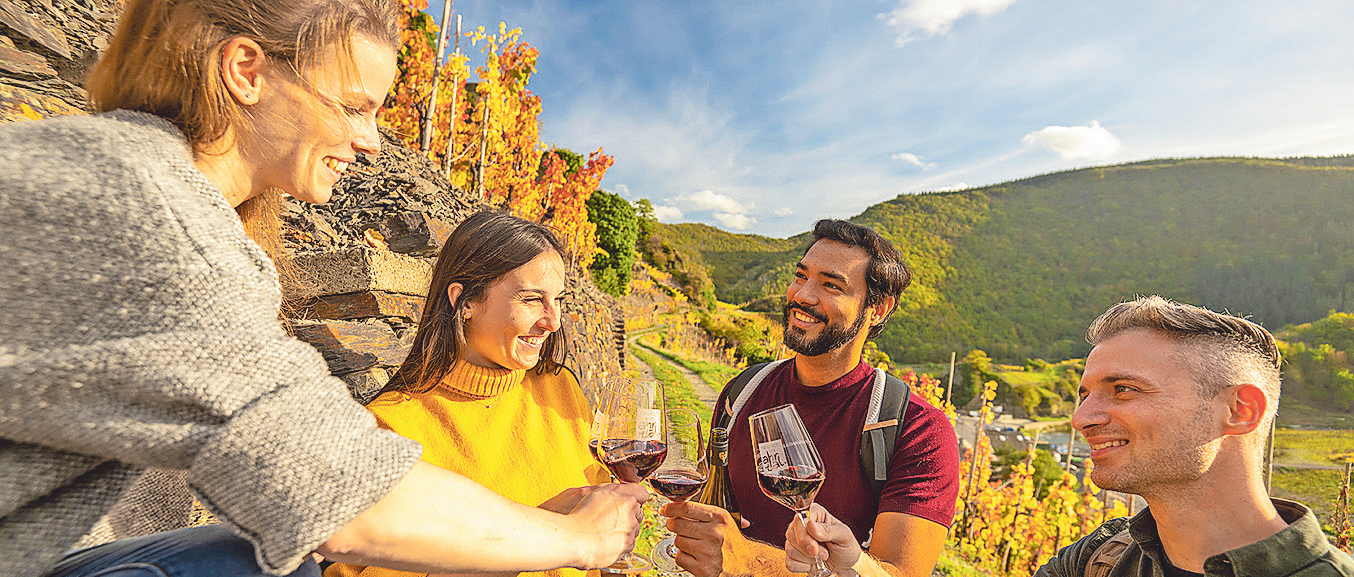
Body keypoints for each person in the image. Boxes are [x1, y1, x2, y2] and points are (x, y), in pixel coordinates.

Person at [0, 0, 647, 575]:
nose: (370, 141)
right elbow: (342, 500)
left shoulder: (139, 186)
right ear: (246, 71)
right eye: (353, 106)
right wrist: (577, 539)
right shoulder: (152, 219)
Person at [662, 219, 961, 577]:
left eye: (831, 285)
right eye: (801, 276)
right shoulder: (741, 393)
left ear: (878, 309)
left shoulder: (917, 430)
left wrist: (746, 561)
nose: (802, 296)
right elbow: (724, 514)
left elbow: (900, 573)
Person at [326, 211, 612, 577]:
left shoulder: (559, 389)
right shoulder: (393, 427)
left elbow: (605, 537)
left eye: (559, 300)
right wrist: (532, 539)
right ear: (465, 303)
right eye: (531, 300)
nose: (552, 321)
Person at [1032, 296, 1354, 576]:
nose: (1080, 419)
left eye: (1124, 389)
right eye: (1084, 396)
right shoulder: (1094, 561)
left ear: (1240, 411)